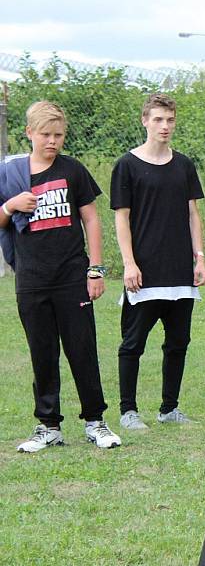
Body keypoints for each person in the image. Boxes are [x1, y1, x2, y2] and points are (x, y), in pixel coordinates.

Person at [0, 101, 121, 452]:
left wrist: (95, 269)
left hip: (72, 276)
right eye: (45, 135)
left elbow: (92, 220)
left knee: (82, 349)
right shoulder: (11, 174)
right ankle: (48, 426)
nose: (52, 141)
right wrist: (10, 206)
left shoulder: (72, 170)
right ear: (29, 134)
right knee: (42, 352)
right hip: (31, 278)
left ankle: (96, 422)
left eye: (58, 135)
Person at [111, 93, 205, 431]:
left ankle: (169, 408)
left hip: (181, 270)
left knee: (178, 343)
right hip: (144, 272)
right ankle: (128, 411)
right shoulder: (127, 165)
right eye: (158, 119)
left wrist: (199, 257)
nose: (164, 126)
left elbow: (192, 214)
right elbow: (121, 219)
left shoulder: (183, 165)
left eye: (169, 120)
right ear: (145, 121)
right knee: (133, 343)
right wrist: (129, 263)